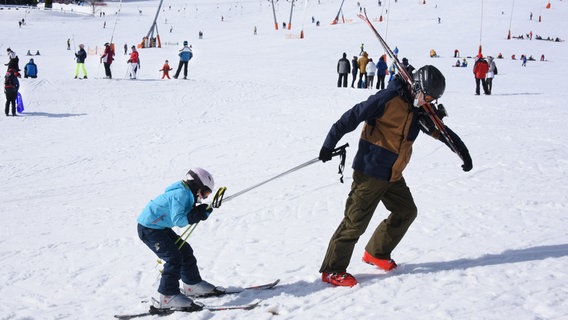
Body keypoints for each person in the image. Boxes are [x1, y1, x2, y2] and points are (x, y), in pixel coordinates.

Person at [317, 65, 472, 287]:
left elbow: (442, 132)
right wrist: (329, 143)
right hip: (370, 172)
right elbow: (351, 117)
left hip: (393, 174)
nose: (429, 101)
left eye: (433, 99)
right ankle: (332, 270)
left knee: (406, 211)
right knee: (355, 223)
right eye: (428, 96)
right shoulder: (388, 98)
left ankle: (376, 253)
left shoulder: (419, 110)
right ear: (417, 87)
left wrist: (463, 153)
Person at [137, 168, 225, 309]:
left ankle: (192, 284)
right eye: (205, 192)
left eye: (207, 194)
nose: (203, 197)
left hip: (160, 227)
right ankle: (168, 296)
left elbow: (185, 212)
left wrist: (201, 210)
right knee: (173, 257)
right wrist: (197, 215)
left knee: (184, 251)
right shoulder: (181, 194)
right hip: (149, 229)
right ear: (196, 185)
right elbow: (179, 220)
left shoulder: (186, 194)